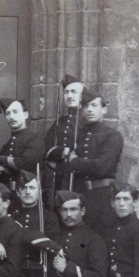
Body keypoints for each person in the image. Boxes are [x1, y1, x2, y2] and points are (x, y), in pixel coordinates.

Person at [63, 91, 124, 236]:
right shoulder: (79, 136)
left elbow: (101, 167)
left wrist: (75, 162)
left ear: (104, 109)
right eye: (86, 106)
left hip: (102, 198)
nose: (90, 110)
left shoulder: (112, 135)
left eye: (94, 105)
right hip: (80, 195)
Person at [44, 75, 86, 205]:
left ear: (83, 95)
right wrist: (65, 151)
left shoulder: (88, 122)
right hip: (60, 178)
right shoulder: (59, 123)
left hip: (81, 179)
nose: (69, 95)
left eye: (74, 92)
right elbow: (47, 148)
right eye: (66, 92)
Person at [0, 98, 44, 189]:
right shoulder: (6, 146)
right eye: (7, 113)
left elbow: (24, 164)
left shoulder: (34, 140)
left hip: (27, 193)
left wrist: (1, 159)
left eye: (15, 112)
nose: (11, 117)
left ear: (25, 115)